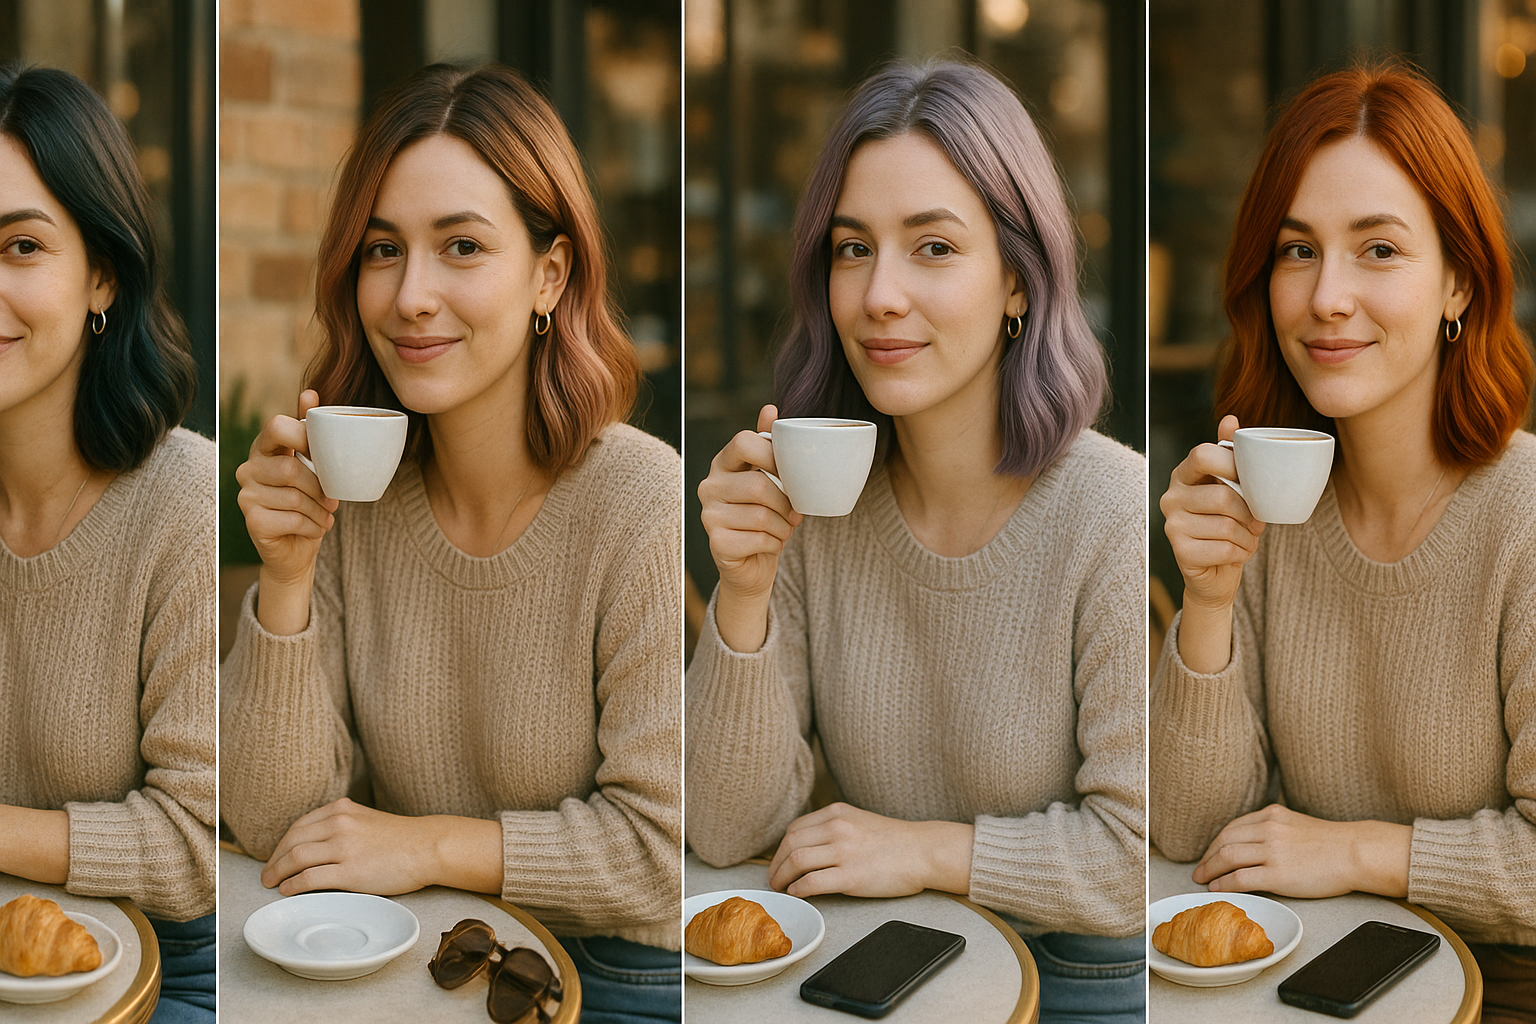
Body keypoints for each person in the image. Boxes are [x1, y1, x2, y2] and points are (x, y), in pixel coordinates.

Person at [219, 64, 682, 1024]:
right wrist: (288, 578)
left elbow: (658, 846)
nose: (411, 296)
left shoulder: (636, 497)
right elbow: (274, 829)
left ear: (549, 275)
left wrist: (429, 846)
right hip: (410, 974)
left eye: (461, 246)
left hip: (619, 984)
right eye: (383, 250)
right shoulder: (356, 495)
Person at [687, 58, 1146, 1023]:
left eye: (932, 248)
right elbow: (726, 833)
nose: (880, 295)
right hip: (863, 985)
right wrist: (742, 592)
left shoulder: (1105, 506)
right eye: (853, 249)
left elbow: (1140, 851)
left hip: (1071, 990)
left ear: (1019, 282)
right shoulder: (815, 504)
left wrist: (931, 850)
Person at [1151, 64, 1536, 1023]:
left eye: (1377, 250)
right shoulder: (1269, 505)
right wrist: (1206, 601)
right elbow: (1190, 833)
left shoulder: (1522, 520)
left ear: (1457, 281)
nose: (1326, 296)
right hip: (1300, 990)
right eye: (1296, 251)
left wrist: (1361, 851)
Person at [0, 65, 215, 1023]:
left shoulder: (183, 504)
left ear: (102, 276)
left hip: (165, 971)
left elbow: (193, 837)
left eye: (20, 246)